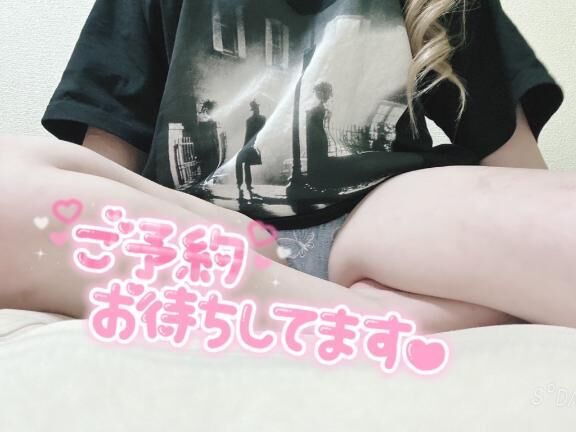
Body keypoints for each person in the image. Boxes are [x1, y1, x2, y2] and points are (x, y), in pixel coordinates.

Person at [0, 0, 571, 335]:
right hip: (206, 240)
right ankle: (360, 320)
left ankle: (287, 316)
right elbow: (100, 180)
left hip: (376, 224)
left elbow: (519, 175)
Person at [236, 100, 265, 199]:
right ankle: (241, 183)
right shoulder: (249, 121)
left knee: (245, 163)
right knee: (241, 162)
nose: (257, 110)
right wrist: (245, 146)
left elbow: (262, 131)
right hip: (249, 144)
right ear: (253, 110)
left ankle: (246, 184)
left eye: (257, 108)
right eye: (255, 109)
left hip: (256, 144)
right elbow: (247, 134)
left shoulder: (262, 119)